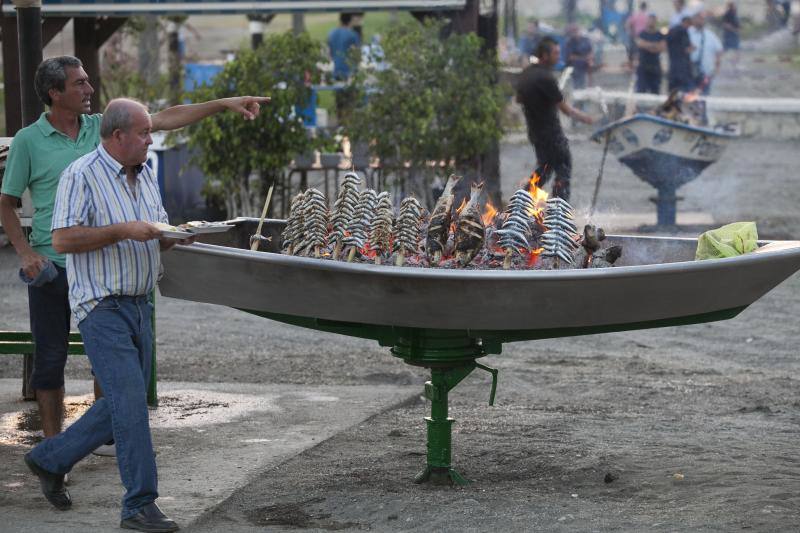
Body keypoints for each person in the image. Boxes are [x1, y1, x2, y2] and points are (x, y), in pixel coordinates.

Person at [0, 56, 268, 454]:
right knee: (51, 360)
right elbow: (6, 202)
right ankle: (54, 447)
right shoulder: (28, 140)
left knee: (109, 362)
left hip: (103, 267)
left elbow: (163, 117)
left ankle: (108, 435)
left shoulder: (103, 128)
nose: (90, 89)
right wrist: (24, 253)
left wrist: (223, 103)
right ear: (55, 94)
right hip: (55, 264)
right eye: (80, 83)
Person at [23, 98, 196, 532]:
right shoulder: (80, 175)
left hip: (140, 304)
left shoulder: (145, 175)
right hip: (102, 305)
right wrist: (124, 230)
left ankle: (50, 457)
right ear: (118, 137)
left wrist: (176, 236)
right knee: (132, 405)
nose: (150, 140)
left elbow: (154, 232)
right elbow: (60, 240)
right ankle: (139, 504)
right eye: (143, 134)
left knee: (123, 400)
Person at [516, 37, 594, 202]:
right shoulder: (546, 78)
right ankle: (559, 210)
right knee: (563, 169)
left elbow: (518, 99)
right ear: (545, 55)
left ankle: (523, 203)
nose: (559, 56)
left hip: (535, 132)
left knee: (544, 170)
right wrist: (586, 118)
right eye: (556, 53)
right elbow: (565, 109)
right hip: (551, 133)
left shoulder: (526, 74)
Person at [688, 8, 723, 94]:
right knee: (689, 98)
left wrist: (716, 68)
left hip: (705, 74)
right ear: (693, 19)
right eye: (698, 18)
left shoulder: (710, 35)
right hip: (689, 73)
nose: (701, 20)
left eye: (702, 18)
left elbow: (719, 51)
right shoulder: (687, 33)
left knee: (704, 98)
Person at [635, 13, 667, 94]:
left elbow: (662, 48)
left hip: (655, 67)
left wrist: (647, 45)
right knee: (641, 91)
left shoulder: (660, 34)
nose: (651, 22)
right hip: (643, 67)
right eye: (650, 20)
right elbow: (640, 44)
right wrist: (654, 45)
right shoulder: (642, 33)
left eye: (653, 20)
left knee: (655, 91)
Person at [327, 13, 361, 81]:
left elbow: (329, 54)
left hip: (336, 69)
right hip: (350, 71)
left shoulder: (331, 33)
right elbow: (357, 55)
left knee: (338, 89)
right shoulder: (353, 35)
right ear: (350, 20)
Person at [667, 14, 694, 91]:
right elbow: (686, 48)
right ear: (686, 22)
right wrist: (691, 48)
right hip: (682, 67)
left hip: (673, 66)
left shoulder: (672, 30)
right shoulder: (683, 31)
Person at [563, 23, 594, 89]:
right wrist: (584, 58)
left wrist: (590, 58)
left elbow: (590, 51)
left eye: (577, 30)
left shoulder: (586, 40)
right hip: (574, 67)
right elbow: (571, 57)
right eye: (573, 31)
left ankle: (588, 86)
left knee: (590, 65)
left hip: (585, 65)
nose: (576, 33)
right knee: (576, 85)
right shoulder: (569, 43)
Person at [721, 2, 741, 69]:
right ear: (731, 7)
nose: (735, 7)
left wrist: (737, 30)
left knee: (736, 50)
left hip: (734, 35)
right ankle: (720, 62)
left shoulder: (734, 13)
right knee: (725, 49)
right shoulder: (728, 14)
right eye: (734, 6)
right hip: (729, 35)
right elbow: (725, 24)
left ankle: (735, 65)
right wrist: (734, 30)